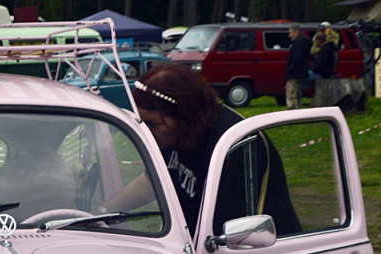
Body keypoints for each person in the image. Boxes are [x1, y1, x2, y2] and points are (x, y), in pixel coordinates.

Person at [105, 64, 300, 237]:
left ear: (184, 115)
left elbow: (230, 233)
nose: (146, 132)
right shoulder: (179, 134)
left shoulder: (235, 144)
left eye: (152, 124)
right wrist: (102, 211)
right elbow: (151, 181)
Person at [285, 23, 312, 109]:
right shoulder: (306, 42)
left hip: (295, 72)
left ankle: (292, 108)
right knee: (298, 91)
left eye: (291, 32)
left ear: (297, 32)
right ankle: (298, 107)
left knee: (291, 91)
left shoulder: (297, 42)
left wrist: (290, 69)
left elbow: (297, 57)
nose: (290, 35)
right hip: (303, 70)